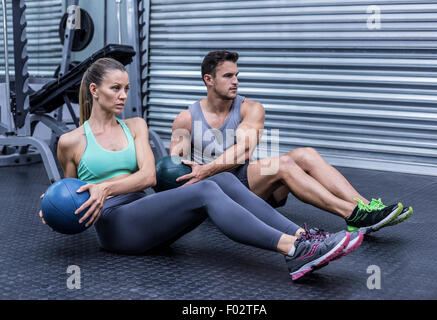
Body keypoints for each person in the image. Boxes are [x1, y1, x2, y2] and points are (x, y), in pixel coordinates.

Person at [38, 57, 363, 281]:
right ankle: (293, 250)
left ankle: (303, 238)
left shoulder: (135, 125)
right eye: (115, 89)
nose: (123, 95)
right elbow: (71, 193)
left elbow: (148, 177)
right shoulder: (70, 141)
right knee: (207, 188)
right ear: (94, 91)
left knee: (220, 178)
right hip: (116, 228)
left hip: (147, 213)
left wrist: (106, 187)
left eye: (126, 88)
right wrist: (55, 209)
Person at [170, 50, 413, 235]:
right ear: (208, 80)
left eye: (237, 75)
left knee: (305, 154)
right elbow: (172, 170)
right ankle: (351, 214)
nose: (235, 81)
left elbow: (243, 152)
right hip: (214, 195)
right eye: (227, 76)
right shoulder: (186, 118)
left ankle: (365, 207)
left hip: (246, 183)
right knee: (282, 164)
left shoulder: (250, 108)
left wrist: (207, 167)